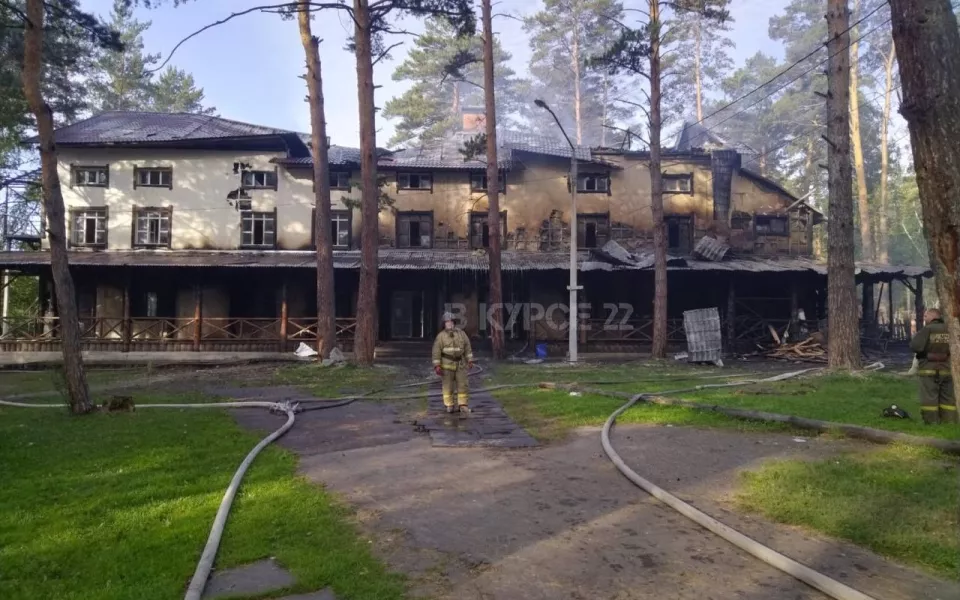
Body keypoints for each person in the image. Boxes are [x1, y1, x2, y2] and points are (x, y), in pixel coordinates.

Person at [909, 308, 956, 425]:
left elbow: (915, 346)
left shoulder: (928, 329)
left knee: (929, 397)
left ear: (933, 316)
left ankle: (931, 422)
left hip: (928, 369)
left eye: (926, 316)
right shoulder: (950, 329)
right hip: (947, 369)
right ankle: (949, 421)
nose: (924, 318)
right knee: (947, 398)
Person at [432, 312, 474, 414]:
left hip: (460, 364)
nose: (449, 323)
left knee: (463, 385)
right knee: (447, 387)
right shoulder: (440, 336)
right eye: (447, 322)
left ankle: (463, 405)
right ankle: (449, 405)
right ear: (444, 324)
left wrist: (470, 360)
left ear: (454, 322)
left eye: (451, 321)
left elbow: (467, 347)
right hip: (447, 365)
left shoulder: (461, 334)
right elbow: (436, 351)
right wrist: (437, 366)